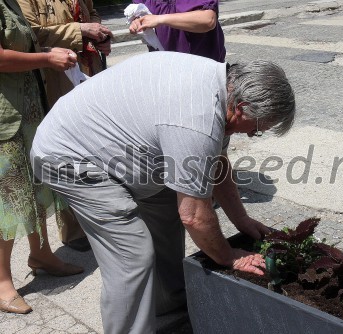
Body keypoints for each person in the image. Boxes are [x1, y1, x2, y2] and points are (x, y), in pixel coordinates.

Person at [31, 51, 295, 333]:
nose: (252, 135)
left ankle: (169, 311)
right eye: (257, 129)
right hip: (69, 157)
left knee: (167, 205)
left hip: (110, 147)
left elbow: (217, 165)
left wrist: (241, 220)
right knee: (132, 254)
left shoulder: (220, 86)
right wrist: (230, 256)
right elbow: (194, 216)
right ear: (241, 107)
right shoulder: (198, 118)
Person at [0, 0, 83, 314]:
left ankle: (42, 254)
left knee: (35, 186)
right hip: (5, 120)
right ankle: (2, 281)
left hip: (26, 110)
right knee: (8, 198)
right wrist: (48, 58)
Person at [18, 0, 113, 251]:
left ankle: (102, 214)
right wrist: (80, 31)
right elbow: (30, 33)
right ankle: (72, 228)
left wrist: (98, 34)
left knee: (96, 144)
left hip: (86, 68)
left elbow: (91, 13)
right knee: (65, 151)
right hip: (55, 76)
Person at [129, 0, 225, 62]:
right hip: (164, 66)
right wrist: (137, 23)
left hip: (200, 67)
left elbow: (208, 20)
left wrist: (160, 19)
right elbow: (141, 14)